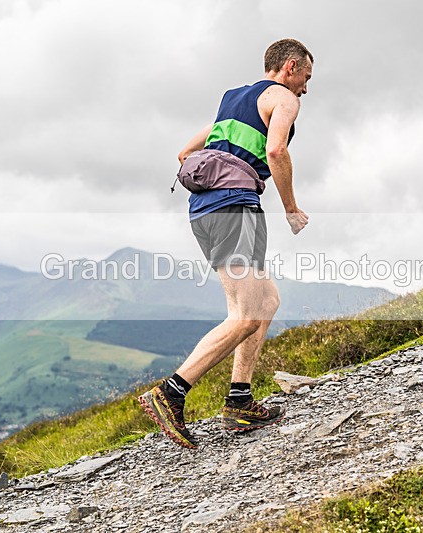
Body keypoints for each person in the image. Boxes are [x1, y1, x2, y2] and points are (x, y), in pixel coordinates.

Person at [139, 38, 313, 449]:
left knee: (264, 302)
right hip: (235, 208)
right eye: (306, 76)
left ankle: (239, 401)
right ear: (290, 67)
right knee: (245, 315)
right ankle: (171, 392)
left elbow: (184, 153)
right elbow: (276, 150)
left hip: (205, 210)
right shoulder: (284, 100)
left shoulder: (232, 99)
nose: (306, 87)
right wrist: (290, 207)